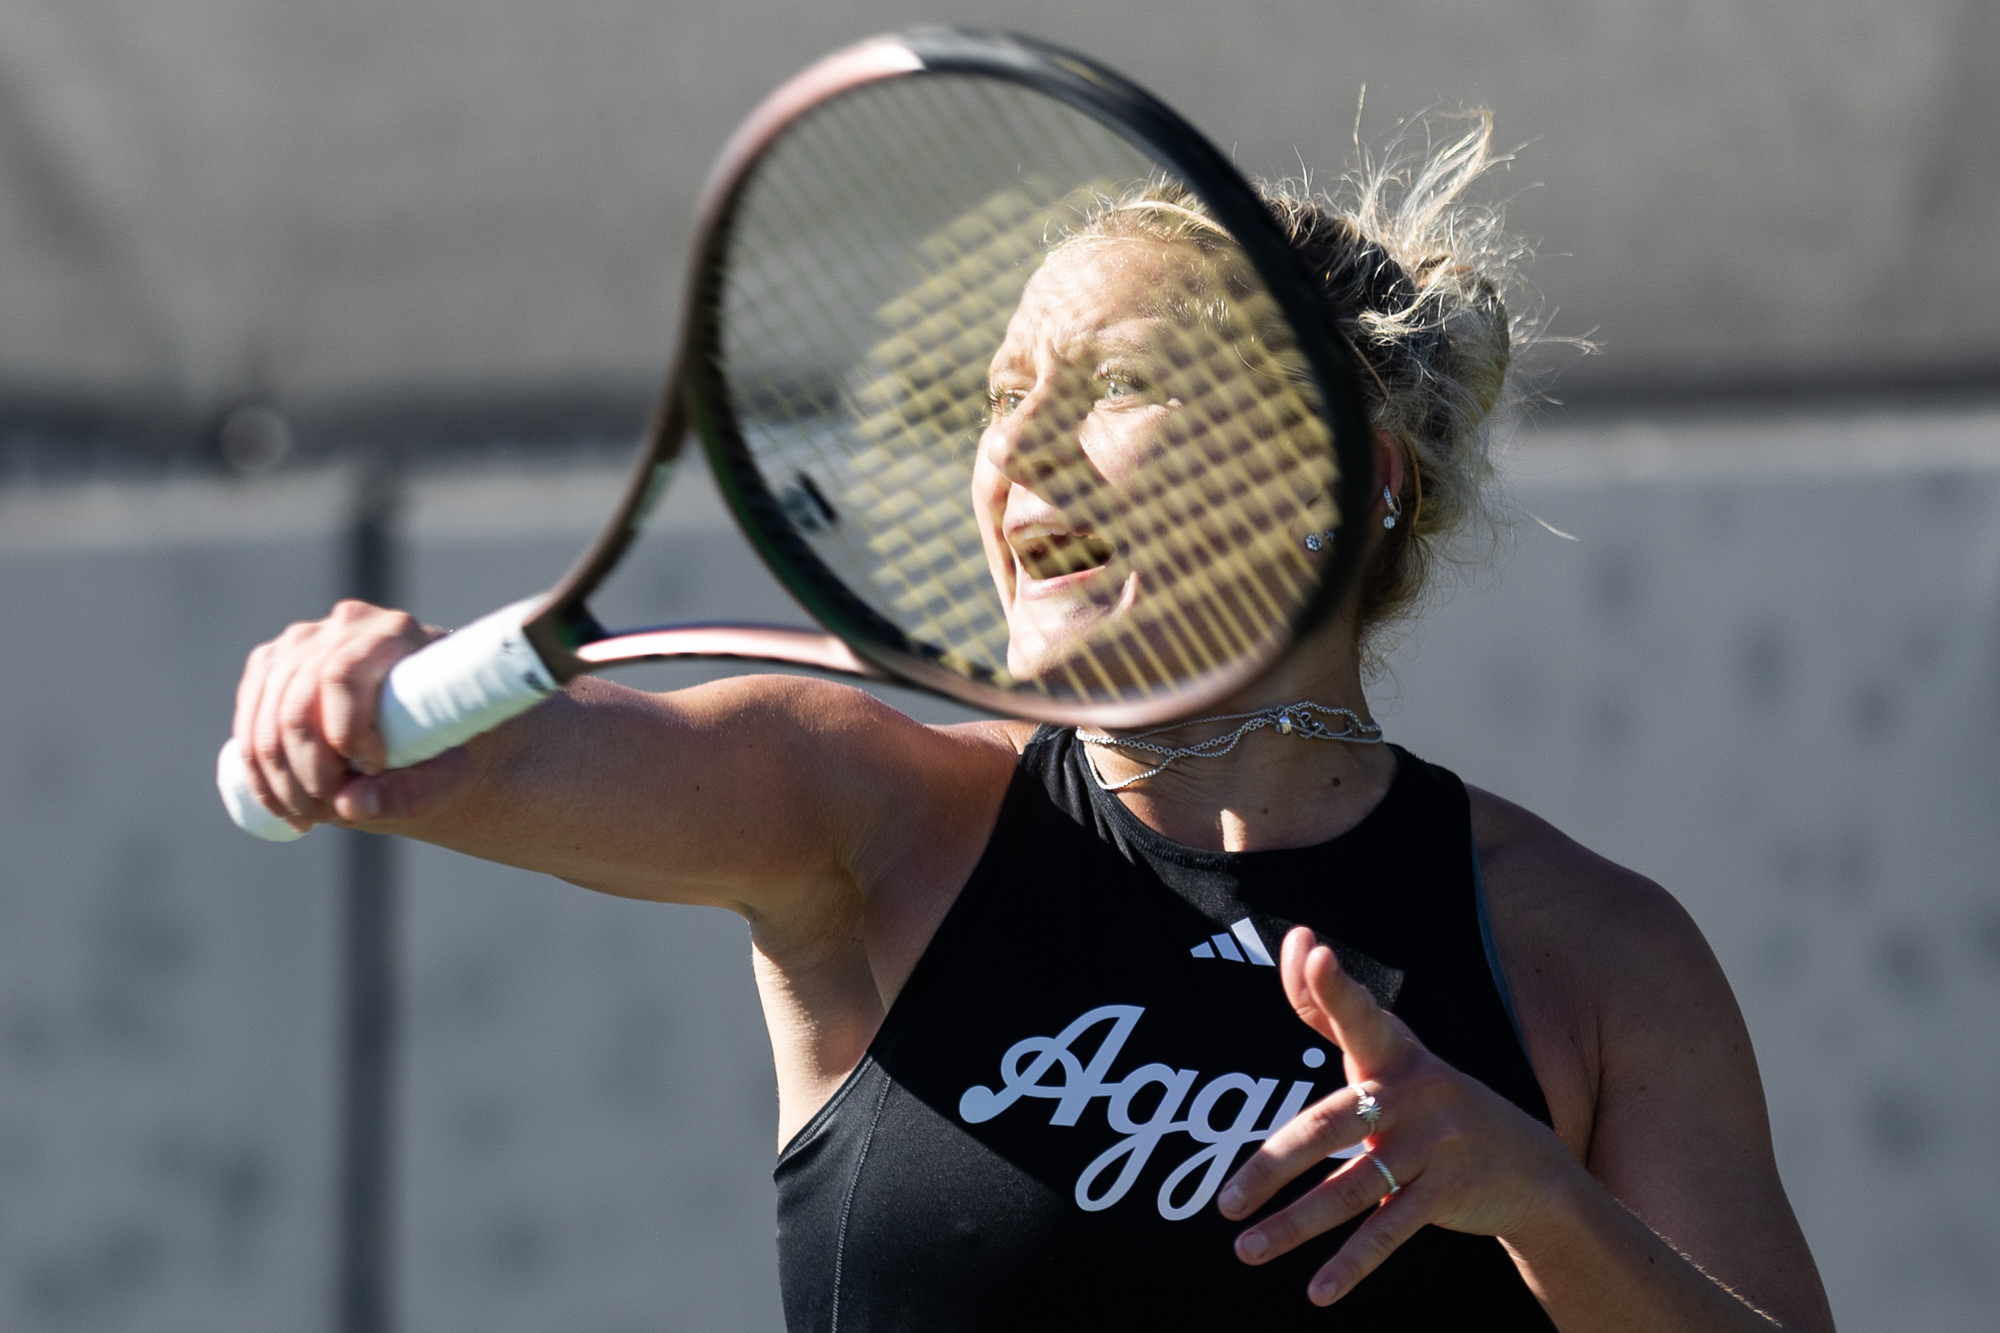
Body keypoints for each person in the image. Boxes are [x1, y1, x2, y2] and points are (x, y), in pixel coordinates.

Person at [232, 117, 1835, 1331]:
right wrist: (365, 689)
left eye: (1111, 381)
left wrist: (1533, 1198)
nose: (1018, 448)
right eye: (1003, 393)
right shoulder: (864, 815)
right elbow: (494, 757)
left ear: (1353, 472)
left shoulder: (1600, 957)